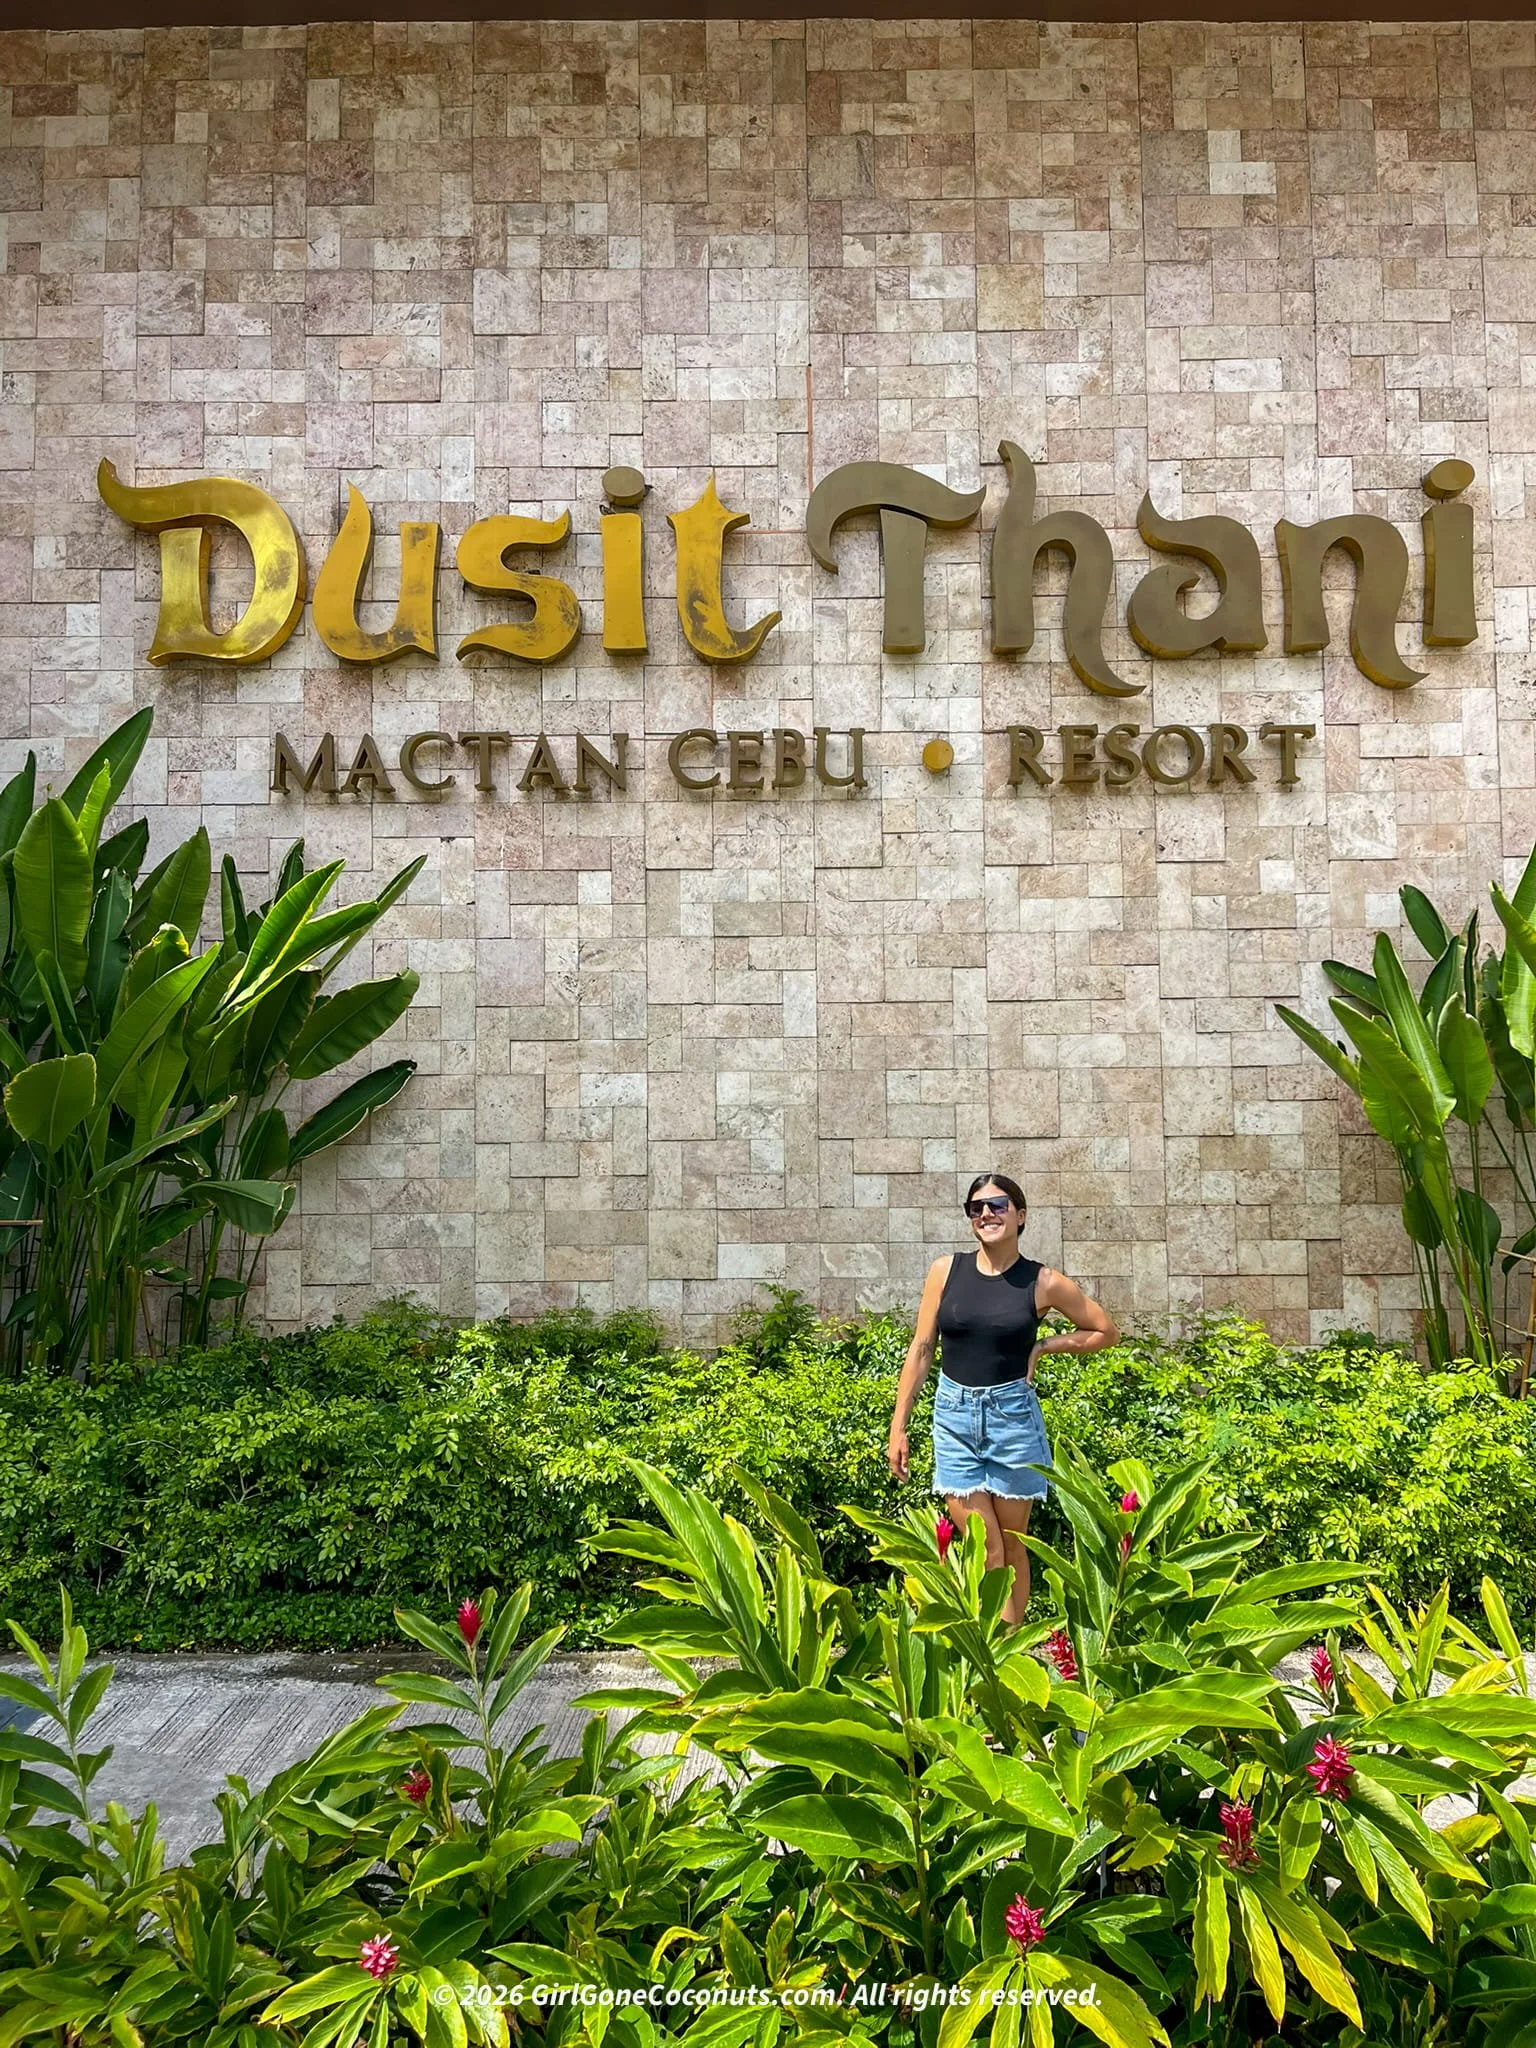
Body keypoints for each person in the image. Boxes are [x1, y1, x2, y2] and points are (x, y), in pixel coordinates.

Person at [886, 1172, 1118, 1624]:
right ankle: (995, 1655)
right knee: (984, 1545)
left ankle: (1009, 1658)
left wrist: (1045, 1345)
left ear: (1020, 1214)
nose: (986, 1214)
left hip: (1012, 1419)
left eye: (997, 1205)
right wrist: (899, 1426)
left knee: (1013, 1546)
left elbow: (1105, 1331)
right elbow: (921, 1348)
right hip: (953, 1417)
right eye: (976, 1208)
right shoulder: (944, 1270)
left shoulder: (1043, 1281)